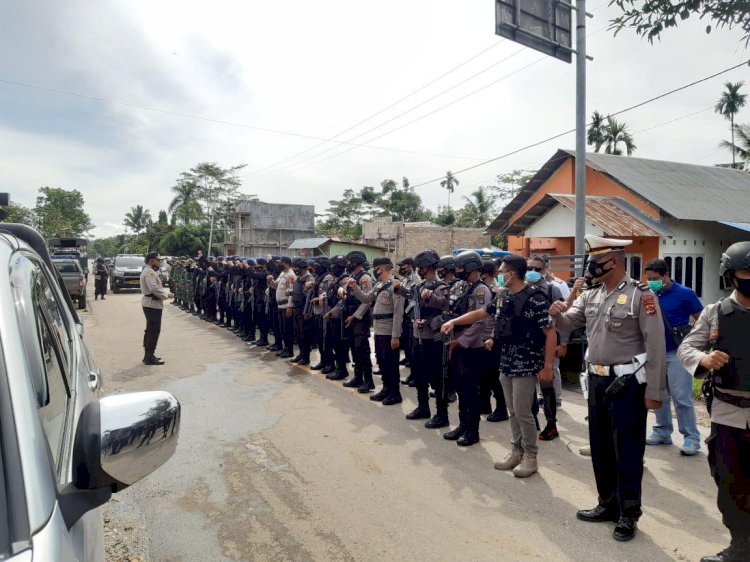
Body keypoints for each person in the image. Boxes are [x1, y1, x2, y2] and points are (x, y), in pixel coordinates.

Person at [549, 234, 667, 542]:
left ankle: (629, 514)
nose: (590, 268)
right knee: (600, 446)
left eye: (594, 262)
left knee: (627, 449)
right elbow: (567, 324)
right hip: (598, 381)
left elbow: (655, 344)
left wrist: (655, 392)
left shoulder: (642, 296)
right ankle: (608, 504)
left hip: (628, 383)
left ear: (612, 262)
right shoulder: (592, 294)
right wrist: (557, 312)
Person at [444, 254, 556, 477]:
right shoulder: (503, 297)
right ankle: (516, 450)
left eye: (502, 271)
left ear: (512, 273)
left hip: (526, 361)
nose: (499, 275)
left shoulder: (536, 298)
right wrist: (454, 321)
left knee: (524, 411)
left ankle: (531, 456)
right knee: (513, 410)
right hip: (506, 360)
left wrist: (548, 366)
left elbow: (550, 332)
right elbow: (482, 313)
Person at [678, 241, 750, 562]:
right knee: (729, 481)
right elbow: (686, 348)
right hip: (727, 412)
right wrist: (704, 359)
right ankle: (741, 546)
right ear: (730, 275)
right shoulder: (715, 313)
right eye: (747, 272)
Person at [643, 258, 704, 455]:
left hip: (676, 353)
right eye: (648, 278)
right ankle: (662, 431)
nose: (650, 282)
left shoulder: (685, 294)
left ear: (666, 276)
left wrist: (693, 343)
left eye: (654, 278)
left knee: (681, 397)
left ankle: (691, 438)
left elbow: (702, 319)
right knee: (658, 394)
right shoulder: (647, 295)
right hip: (654, 354)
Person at [439, 250, 492, 447]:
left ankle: (473, 430)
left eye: (461, 268)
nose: (458, 272)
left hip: (471, 345)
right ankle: (462, 424)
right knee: (460, 387)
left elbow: (480, 321)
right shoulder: (463, 286)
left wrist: (461, 342)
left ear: (470, 267)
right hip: (456, 342)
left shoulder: (481, 290)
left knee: (471, 389)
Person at [394, 250, 448, 422]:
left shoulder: (441, 287)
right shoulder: (419, 286)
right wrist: (399, 289)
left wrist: (429, 318)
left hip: (433, 338)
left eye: (421, 267)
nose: (419, 270)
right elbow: (411, 298)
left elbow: (446, 309)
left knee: (437, 377)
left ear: (427, 267)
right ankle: (423, 407)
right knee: (419, 374)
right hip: (417, 337)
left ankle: (441, 414)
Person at [349, 257, 404, 405]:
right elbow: (366, 299)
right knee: (382, 361)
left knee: (391, 363)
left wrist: (395, 336)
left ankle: (395, 393)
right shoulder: (380, 285)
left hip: (388, 331)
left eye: (376, 268)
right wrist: (354, 287)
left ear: (382, 268)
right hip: (379, 330)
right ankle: (386, 389)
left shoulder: (395, 285)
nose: (374, 270)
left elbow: (398, 312)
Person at [526, 255, 565, 440]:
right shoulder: (522, 290)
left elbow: (564, 320)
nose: (533, 272)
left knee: (546, 384)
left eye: (537, 269)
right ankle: (533, 420)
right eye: (530, 268)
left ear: (544, 270)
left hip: (547, 344)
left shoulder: (552, 290)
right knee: (528, 387)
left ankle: (551, 425)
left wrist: (562, 342)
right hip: (527, 345)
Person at [339, 251, 375, 393]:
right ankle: (358, 378)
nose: (347, 264)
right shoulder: (353, 277)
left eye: (349, 261)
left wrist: (355, 316)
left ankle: (369, 381)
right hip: (351, 317)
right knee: (354, 349)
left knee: (362, 351)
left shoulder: (364, 278)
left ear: (355, 262)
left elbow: (367, 301)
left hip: (360, 319)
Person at [140, 252, 173, 365]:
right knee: (153, 330)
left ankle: (148, 355)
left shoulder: (150, 271)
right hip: (152, 304)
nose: (159, 262)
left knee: (150, 329)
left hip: (151, 303)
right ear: (152, 260)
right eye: (158, 260)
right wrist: (165, 295)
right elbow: (153, 288)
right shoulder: (149, 272)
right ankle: (149, 356)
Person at [268, 256, 295, 358]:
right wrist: (270, 281)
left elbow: (292, 292)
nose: (279, 264)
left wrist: (289, 306)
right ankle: (285, 349)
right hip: (280, 305)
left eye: (281, 263)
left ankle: (289, 350)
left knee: (287, 329)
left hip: (285, 305)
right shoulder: (283, 273)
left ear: (287, 264)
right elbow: (276, 286)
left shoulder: (291, 275)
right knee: (282, 328)